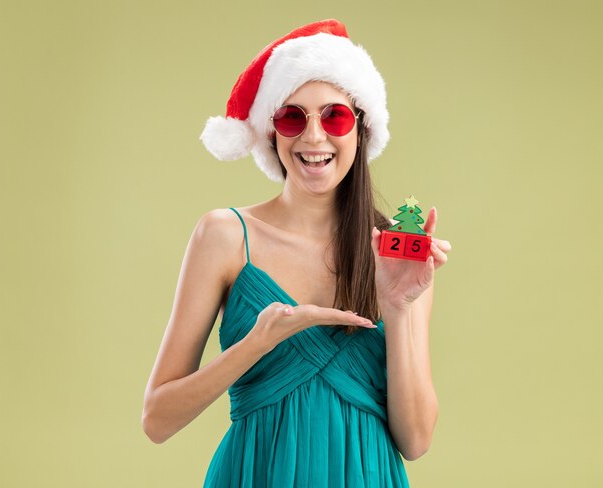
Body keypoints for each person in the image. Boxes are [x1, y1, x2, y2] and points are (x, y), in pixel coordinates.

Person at [142, 19, 451, 487]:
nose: (312, 137)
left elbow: (415, 440)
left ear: (361, 129)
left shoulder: (397, 255)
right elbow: (157, 419)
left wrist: (398, 306)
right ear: (272, 133)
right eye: (292, 117)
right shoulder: (225, 236)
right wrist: (257, 342)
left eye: (334, 116)